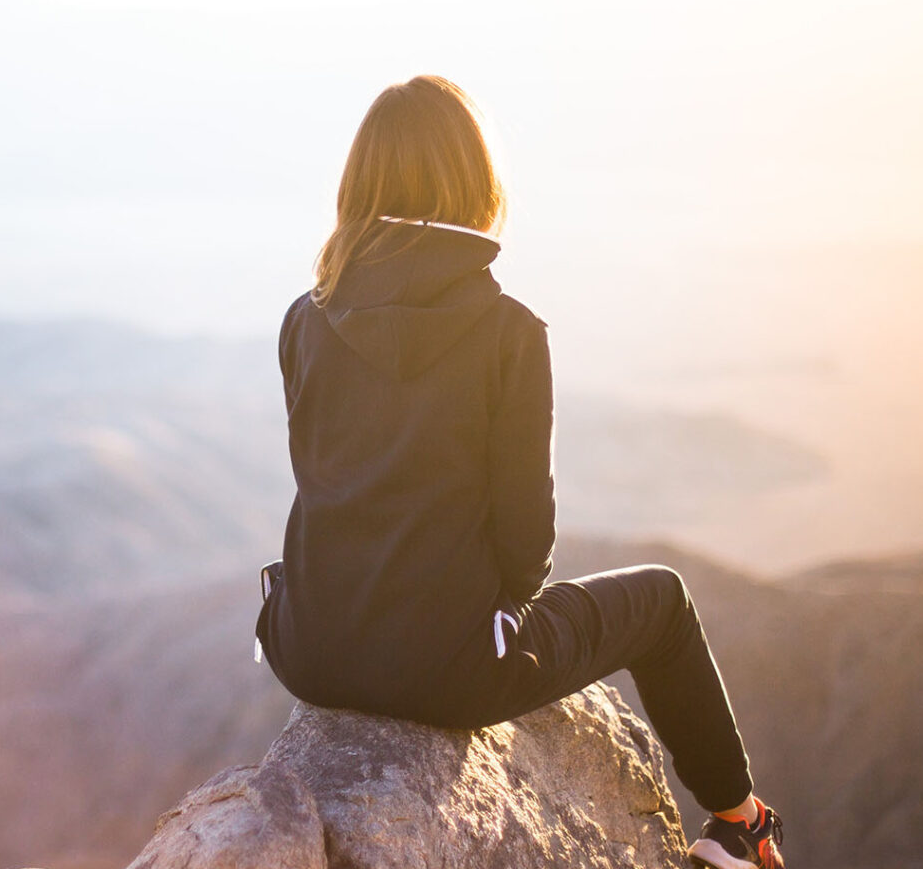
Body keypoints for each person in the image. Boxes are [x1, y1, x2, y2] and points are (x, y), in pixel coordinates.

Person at [254, 75, 785, 869]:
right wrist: (474, 622)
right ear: (475, 184)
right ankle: (739, 825)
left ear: (358, 187)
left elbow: (326, 484)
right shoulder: (508, 333)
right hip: (452, 673)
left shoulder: (306, 317)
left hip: (309, 650)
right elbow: (527, 551)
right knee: (664, 602)